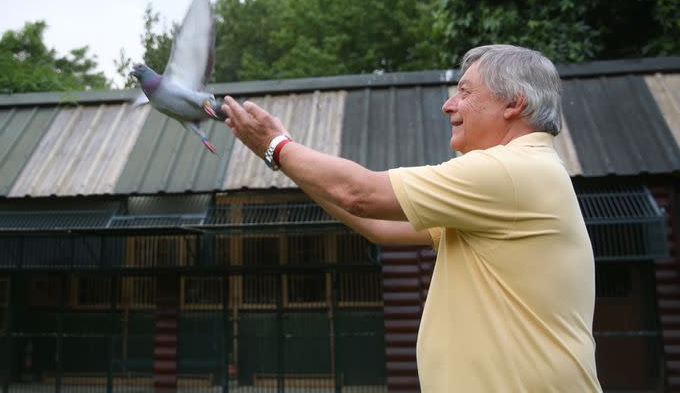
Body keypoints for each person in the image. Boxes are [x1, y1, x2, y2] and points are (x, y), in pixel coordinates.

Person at [220, 44, 601, 392]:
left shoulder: (510, 171)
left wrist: (277, 147)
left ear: (513, 103)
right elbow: (377, 225)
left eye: (465, 92)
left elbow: (360, 194)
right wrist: (288, 161)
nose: (448, 105)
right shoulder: (512, 180)